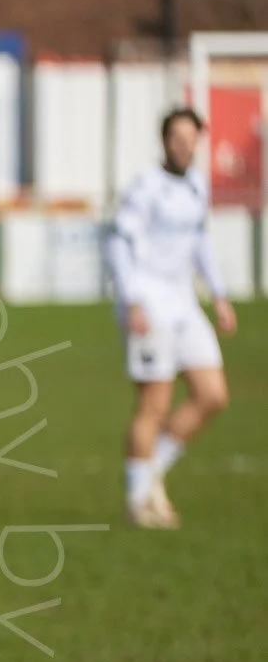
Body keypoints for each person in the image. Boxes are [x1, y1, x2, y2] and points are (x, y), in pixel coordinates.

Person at [107, 106, 235, 529]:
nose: (184, 146)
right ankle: (138, 500)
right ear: (164, 141)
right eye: (176, 138)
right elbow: (119, 244)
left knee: (212, 394)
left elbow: (201, 242)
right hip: (150, 303)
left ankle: (152, 471)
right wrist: (132, 300)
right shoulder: (146, 188)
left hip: (185, 303)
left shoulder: (197, 185)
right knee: (153, 405)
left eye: (190, 138)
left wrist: (218, 295)